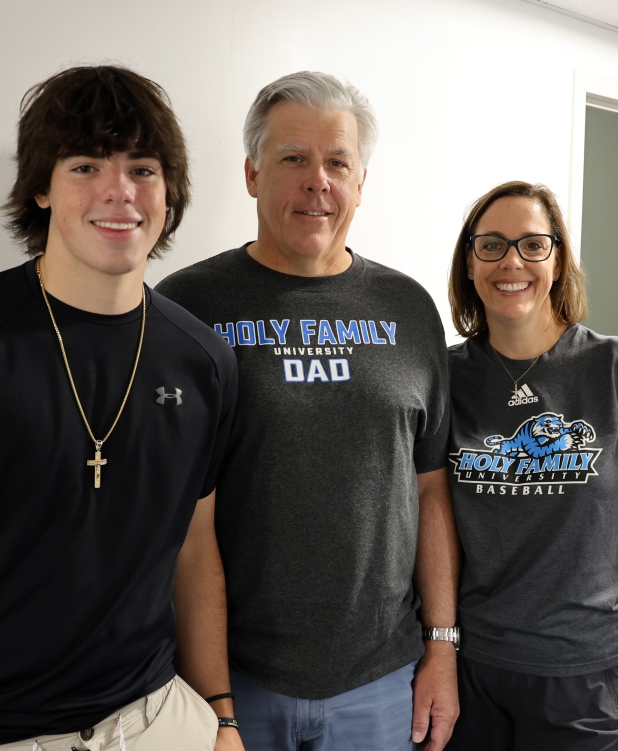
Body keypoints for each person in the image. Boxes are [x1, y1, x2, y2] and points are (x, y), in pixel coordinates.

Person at [0, 65, 245, 751]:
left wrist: (220, 716)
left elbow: (195, 549)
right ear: (40, 187)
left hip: (160, 719)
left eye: (143, 168)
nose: (120, 192)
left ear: (169, 192)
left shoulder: (206, 361)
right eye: (86, 165)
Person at [157, 71, 460, 751]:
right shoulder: (185, 306)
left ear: (360, 182)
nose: (316, 180)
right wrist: (211, 694)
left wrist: (442, 646)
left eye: (337, 162)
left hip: (382, 681)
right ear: (252, 173)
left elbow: (431, 488)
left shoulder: (409, 310)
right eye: (293, 158)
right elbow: (165, 504)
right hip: (232, 679)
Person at [445, 180, 618, 750]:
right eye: (492, 245)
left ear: (557, 261)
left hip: (587, 675)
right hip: (471, 669)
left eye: (533, 244)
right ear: (470, 262)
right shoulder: (444, 376)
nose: (512, 262)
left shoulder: (617, 369)